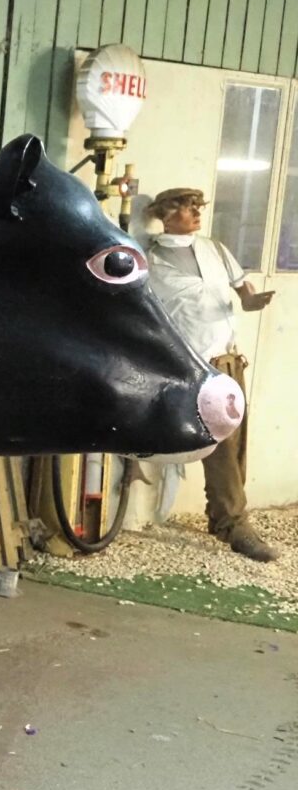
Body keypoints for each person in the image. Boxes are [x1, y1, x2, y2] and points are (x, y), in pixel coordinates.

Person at [142, 187, 278, 562]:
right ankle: (233, 524)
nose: (195, 213)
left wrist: (252, 300)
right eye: (186, 208)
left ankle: (225, 516)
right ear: (166, 214)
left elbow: (241, 288)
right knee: (218, 444)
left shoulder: (215, 250)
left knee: (236, 444)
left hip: (227, 359)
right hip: (193, 365)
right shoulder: (152, 261)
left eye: (197, 207)